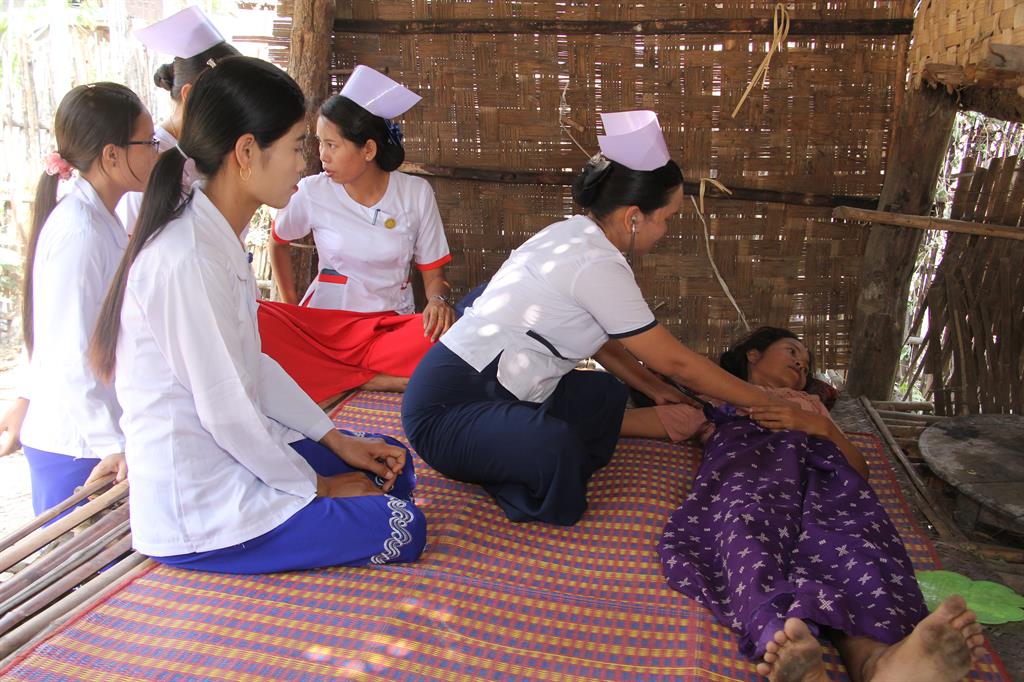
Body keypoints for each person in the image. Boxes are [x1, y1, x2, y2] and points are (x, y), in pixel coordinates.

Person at [88, 57, 425, 573]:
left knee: (386, 461)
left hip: (238, 456)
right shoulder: (187, 256)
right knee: (404, 526)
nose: (303, 164)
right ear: (247, 152)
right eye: (295, 147)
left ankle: (317, 485)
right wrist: (322, 487)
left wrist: (338, 441)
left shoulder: (212, 233)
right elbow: (225, 410)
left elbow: (254, 364)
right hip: (204, 502)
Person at [401, 111, 786, 526]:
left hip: (501, 390)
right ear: (633, 216)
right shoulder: (593, 262)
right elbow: (677, 363)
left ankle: (514, 448)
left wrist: (654, 389)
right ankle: (512, 471)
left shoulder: (573, 233)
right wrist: (767, 403)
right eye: (667, 218)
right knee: (556, 448)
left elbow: (602, 339)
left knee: (603, 394)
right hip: (446, 415)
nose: (668, 230)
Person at [647, 327, 986, 681]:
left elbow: (859, 469)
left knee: (855, 545)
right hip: (749, 479)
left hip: (824, 480)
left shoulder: (811, 405)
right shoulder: (713, 400)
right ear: (753, 354)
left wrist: (816, 426)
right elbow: (619, 425)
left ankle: (880, 662)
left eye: (806, 365)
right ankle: (789, 644)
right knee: (747, 536)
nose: (800, 364)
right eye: (792, 351)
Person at [2, 83, 157, 517]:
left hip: (94, 432)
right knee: (76, 577)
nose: (155, 153)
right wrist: (112, 442)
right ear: (111, 155)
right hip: (78, 444)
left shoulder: (96, 218)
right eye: (148, 143)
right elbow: (71, 350)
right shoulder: (81, 232)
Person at [261, 65, 452, 400]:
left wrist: (437, 301)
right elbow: (277, 242)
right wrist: (293, 310)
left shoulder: (415, 194)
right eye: (320, 143)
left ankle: (347, 375)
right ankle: (373, 378)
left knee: (447, 342)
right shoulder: (312, 192)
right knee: (255, 319)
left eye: (332, 145)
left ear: (368, 150)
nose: (322, 156)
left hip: (386, 325)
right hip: (325, 328)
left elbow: (434, 276)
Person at [116, 5, 240, 233]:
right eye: (226, 104)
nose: (233, 117)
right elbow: (134, 244)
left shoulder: (208, 151)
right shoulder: (147, 158)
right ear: (190, 96)